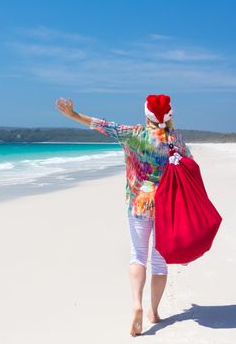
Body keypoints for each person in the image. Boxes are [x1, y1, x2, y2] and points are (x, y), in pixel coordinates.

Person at [55, 94, 194, 336]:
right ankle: (154, 312)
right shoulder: (177, 139)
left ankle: (137, 305)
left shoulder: (135, 134)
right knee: (159, 262)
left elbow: (104, 125)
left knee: (138, 255)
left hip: (138, 205)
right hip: (165, 209)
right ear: (170, 115)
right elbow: (189, 168)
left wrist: (74, 115)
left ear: (146, 114)